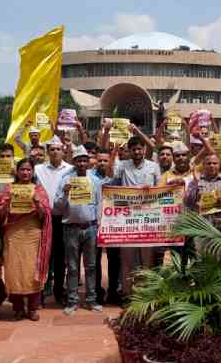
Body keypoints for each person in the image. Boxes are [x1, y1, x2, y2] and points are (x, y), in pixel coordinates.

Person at [0, 158, 51, 322]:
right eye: (22, 169)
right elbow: (0, 215)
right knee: (14, 270)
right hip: (13, 234)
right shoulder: (9, 188)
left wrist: (37, 203)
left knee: (32, 270)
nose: (25, 172)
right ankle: (18, 308)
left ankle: (33, 307)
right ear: (17, 171)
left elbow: (45, 215)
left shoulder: (38, 189)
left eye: (28, 169)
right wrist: (6, 204)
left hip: (32, 234)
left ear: (33, 172)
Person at [54, 146, 103, 315]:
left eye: (84, 160)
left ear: (88, 162)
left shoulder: (95, 180)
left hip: (90, 228)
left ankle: (91, 299)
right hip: (71, 229)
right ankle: (72, 300)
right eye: (79, 160)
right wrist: (65, 194)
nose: (82, 163)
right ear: (74, 162)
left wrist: (98, 226)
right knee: (73, 267)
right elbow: (57, 208)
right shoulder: (65, 180)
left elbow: (99, 205)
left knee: (91, 266)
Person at [112, 135, 161, 296]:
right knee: (127, 260)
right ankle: (127, 295)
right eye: (134, 149)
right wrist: (114, 151)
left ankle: (145, 296)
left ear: (144, 150)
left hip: (148, 219)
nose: (137, 152)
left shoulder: (154, 166)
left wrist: (152, 189)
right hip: (127, 220)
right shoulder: (122, 165)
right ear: (130, 151)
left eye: (140, 149)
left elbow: (160, 189)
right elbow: (109, 174)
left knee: (147, 260)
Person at [34, 136, 73, 305]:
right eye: (52, 149)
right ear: (47, 152)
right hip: (43, 218)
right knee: (43, 257)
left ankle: (58, 291)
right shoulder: (38, 169)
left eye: (58, 149)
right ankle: (41, 292)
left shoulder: (71, 169)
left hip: (63, 218)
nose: (55, 152)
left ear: (63, 150)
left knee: (61, 258)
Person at [91, 147, 121, 305]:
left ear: (110, 161)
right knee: (94, 260)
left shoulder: (116, 178)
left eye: (105, 160)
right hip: (94, 225)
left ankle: (113, 291)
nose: (102, 163)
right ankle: (97, 292)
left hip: (114, 226)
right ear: (95, 161)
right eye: (100, 160)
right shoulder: (88, 177)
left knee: (114, 259)